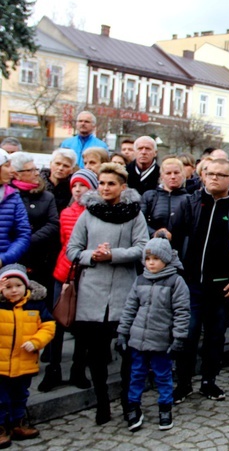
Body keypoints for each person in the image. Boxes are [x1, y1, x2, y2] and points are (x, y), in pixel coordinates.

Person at [66, 162, 149, 425]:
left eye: (110, 184)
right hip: (92, 291)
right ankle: (102, 402)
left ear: (122, 187)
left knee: (127, 353)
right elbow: (72, 250)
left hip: (124, 290)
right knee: (97, 354)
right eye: (101, 183)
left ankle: (128, 401)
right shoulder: (87, 213)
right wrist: (93, 255)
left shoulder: (134, 214)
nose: (105, 188)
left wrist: (113, 254)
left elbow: (143, 248)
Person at [172, 158, 229, 405]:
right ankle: (183, 383)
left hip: (221, 287)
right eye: (209, 173)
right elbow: (174, 239)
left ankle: (209, 381)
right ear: (203, 176)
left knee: (215, 337)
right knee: (188, 335)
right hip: (190, 284)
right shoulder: (190, 203)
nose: (213, 178)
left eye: (220, 175)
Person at [117, 238, 190, 432]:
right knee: (136, 375)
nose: (151, 262)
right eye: (148, 258)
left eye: (156, 258)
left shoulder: (176, 281)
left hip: (161, 341)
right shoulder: (140, 280)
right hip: (138, 340)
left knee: (163, 376)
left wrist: (179, 338)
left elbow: (182, 312)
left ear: (165, 260)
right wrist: (123, 333)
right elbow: (130, 308)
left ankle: (165, 408)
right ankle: (133, 407)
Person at [39, 169, 98, 393]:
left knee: (82, 324)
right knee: (58, 321)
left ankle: (78, 368)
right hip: (63, 272)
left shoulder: (97, 212)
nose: (78, 189)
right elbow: (65, 242)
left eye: (82, 185)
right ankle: (54, 369)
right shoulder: (66, 213)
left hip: (86, 273)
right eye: (74, 186)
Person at [0, 265, 55, 444]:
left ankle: (18, 423)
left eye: (18, 286)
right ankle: (1, 427)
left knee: (20, 395)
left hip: (24, 362)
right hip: (2, 364)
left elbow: (48, 326)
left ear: (26, 286)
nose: (14, 290)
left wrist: (36, 342)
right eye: (8, 287)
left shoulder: (36, 305)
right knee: (1, 397)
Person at [10, 152, 60, 302]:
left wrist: (29, 240)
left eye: (35, 169)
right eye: (30, 170)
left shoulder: (47, 196)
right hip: (13, 254)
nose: (36, 173)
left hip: (39, 255)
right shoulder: (8, 195)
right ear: (17, 174)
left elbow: (53, 223)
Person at [140, 158, 188, 243]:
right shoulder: (150, 196)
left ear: (183, 175)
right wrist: (154, 233)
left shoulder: (189, 199)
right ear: (162, 176)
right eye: (168, 173)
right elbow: (140, 222)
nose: (173, 176)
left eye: (176, 173)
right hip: (153, 245)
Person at [0, 148, 31, 268]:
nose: (12, 170)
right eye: (7, 166)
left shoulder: (13, 197)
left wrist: (4, 259)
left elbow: (23, 234)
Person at [40, 148, 77, 214]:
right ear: (50, 164)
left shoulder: (74, 189)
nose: (60, 168)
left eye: (66, 166)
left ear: (72, 169)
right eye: (57, 164)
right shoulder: (38, 184)